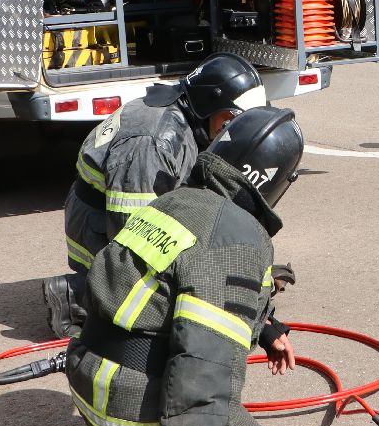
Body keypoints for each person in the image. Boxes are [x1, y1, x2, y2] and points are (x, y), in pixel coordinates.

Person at [39, 106, 306, 426]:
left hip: (90, 378)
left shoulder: (172, 202)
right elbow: (201, 375)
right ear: (276, 182)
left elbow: (171, 289)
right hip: (129, 407)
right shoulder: (238, 239)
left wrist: (265, 328)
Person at [45, 53, 269, 339]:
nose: (234, 129)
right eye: (233, 119)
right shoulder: (152, 144)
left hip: (117, 214)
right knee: (166, 297)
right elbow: (133, 234)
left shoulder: (187, 119)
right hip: (100, 228)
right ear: (210, 103)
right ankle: (74, 296)